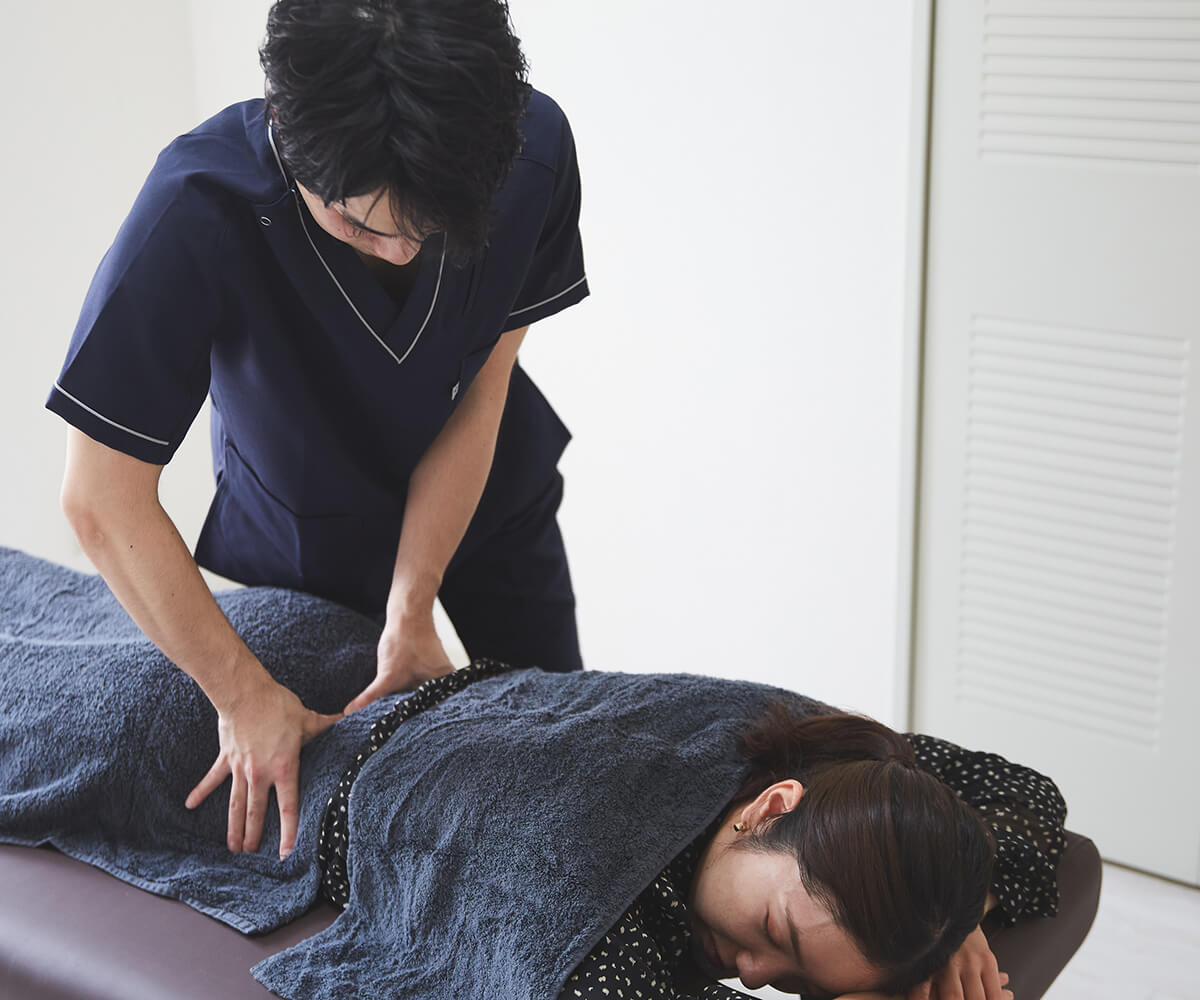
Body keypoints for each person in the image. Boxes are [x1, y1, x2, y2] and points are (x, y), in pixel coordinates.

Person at [0, 547, 1094, 1000]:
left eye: (793, 984)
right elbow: (1032, 807)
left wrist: (944, 918)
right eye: (779, 934)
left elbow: (1026, 806)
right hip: (190, 736)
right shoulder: (586, 919)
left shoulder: (801, 744)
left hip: (328, 655)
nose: (753, 971)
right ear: (771, 808)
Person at [46, 0, 588, 863]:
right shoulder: (198, 207)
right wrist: (243, 696)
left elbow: (481, 392)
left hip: (484, 492)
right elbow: (101, 498)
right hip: (307, 537)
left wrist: (413, 603)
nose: (402, 253)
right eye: (360, 223)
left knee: (567, 766)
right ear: (287, 135)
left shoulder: (530, 150)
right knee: (333, 833)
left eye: (433, 230)